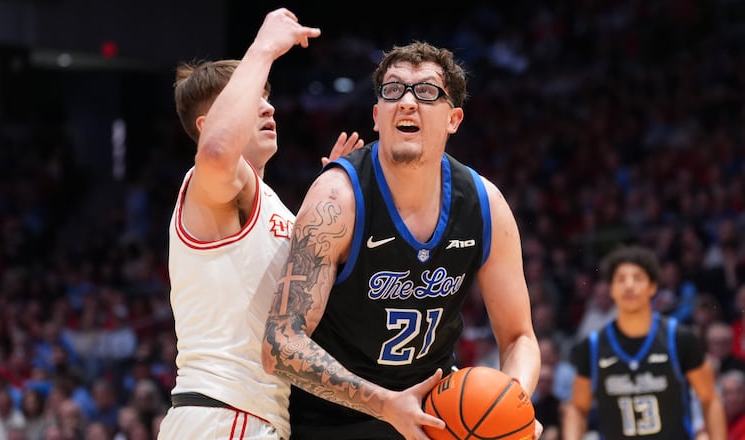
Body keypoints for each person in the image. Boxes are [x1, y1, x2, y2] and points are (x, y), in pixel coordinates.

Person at [262, 41, 542, 440]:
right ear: (377, 115)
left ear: (453, 119)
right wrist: (385, 405)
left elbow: (519, 337)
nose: (407, 102)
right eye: (393, 90)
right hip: (332, 421)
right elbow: (280, 343)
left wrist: (513, 402)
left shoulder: (486, 205)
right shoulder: (336, 200)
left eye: (426, 92)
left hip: (433, 417)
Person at [156, 8, 363, 440]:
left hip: (246, 418)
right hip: (224, 414)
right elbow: (217, 152)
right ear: (207, 125)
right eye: (252, 98)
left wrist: (327, 212)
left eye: (267, 96)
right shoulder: (207, 187)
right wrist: (263, 48)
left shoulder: (273, 208)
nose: (267, 106)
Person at [562, 245, 727, 440]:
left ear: (653, 286)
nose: (629, 285)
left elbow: (710, 399)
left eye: (637, 278)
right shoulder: (593, 346)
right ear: (611, 289)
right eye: (620, 279)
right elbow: (578, 408)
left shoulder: (680, 338)